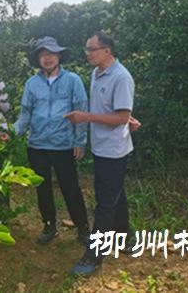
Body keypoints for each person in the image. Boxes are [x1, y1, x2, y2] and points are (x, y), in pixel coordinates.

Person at [64, 31, 137, 277]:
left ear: (107, 51)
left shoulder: (121, 77)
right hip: (101, 146)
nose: (87, 54)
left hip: (114, 150)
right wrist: (125, 117)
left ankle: (94, 256)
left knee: (105, 203)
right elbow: (116, 110)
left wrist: (87, 117)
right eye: (86, 49)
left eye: (91, 49)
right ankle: (126, 239)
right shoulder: (97, 73)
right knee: (116, 194)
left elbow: (120, 116)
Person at [13, 36, 91, 246]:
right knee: (42, 188)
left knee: (70, 188)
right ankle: (49, 226)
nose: (47, 58)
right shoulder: (32, 83)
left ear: (58, 56)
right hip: (37, 145)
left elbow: (81, 111)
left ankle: (82, 227)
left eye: (51, 53)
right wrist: (11, 134)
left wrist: (79, 141)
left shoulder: (72, 80)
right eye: (42, 54)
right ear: (38, 59)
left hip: (64, 145)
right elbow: (25, 114)